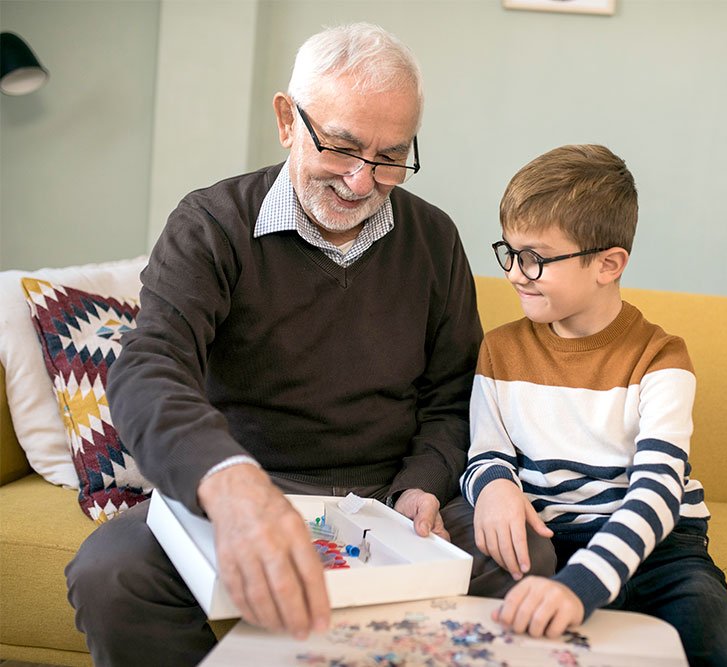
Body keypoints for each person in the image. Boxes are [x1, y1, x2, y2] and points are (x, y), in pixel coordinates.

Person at [66, 23, 484, 667]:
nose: (361, 182)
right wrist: (230, 485)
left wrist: (424, 481)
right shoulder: (210, 225)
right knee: (111, 575)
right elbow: (149, 368)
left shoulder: (434, 240)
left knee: (522, 558)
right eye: (342, 147)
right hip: (244, 485)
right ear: (288, 119)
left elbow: (455, 392)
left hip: (389, 498)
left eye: (391, 156)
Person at [459, 144, 727, 666]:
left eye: (535, 258)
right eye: (508, 251)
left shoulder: (661, 359)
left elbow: (655, 495)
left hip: (659, 553)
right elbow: (487, 454)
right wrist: (493, 487)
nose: (514, 272)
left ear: (608, 264)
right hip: (550, 547)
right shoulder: (500, 349)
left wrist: (579, 587)